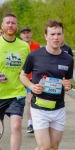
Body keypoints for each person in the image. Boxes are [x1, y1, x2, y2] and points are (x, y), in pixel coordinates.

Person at [20, 20, 74, 150]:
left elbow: (67, 82)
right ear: (45, 36)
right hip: (39, 108)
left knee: (54, 147)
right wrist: (32, 86)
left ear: (63, 36)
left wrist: (68, 86)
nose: (56, 37)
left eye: (59, 34)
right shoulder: (34, 55)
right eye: (52, 34)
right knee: (44, 147)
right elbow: (22, 75)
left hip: (58, 108)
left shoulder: (68, 59)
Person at [0, 13, 30, 150]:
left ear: (17, 26)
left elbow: (30, 69)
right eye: (7, 22)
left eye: (13, 23)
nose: (10, 25)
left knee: (17, 125)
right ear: (2, 25)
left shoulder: (24, 46)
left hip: (17, 93)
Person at [20, 26, 40, 133]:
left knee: (29, 101)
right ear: (21, 35)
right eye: (24, 33)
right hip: (19, 77)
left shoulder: (36, 46)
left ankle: (30, 123)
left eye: (28, 32)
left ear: (31, 34)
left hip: (32, 77)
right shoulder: (18, 46)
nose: (26, 35)